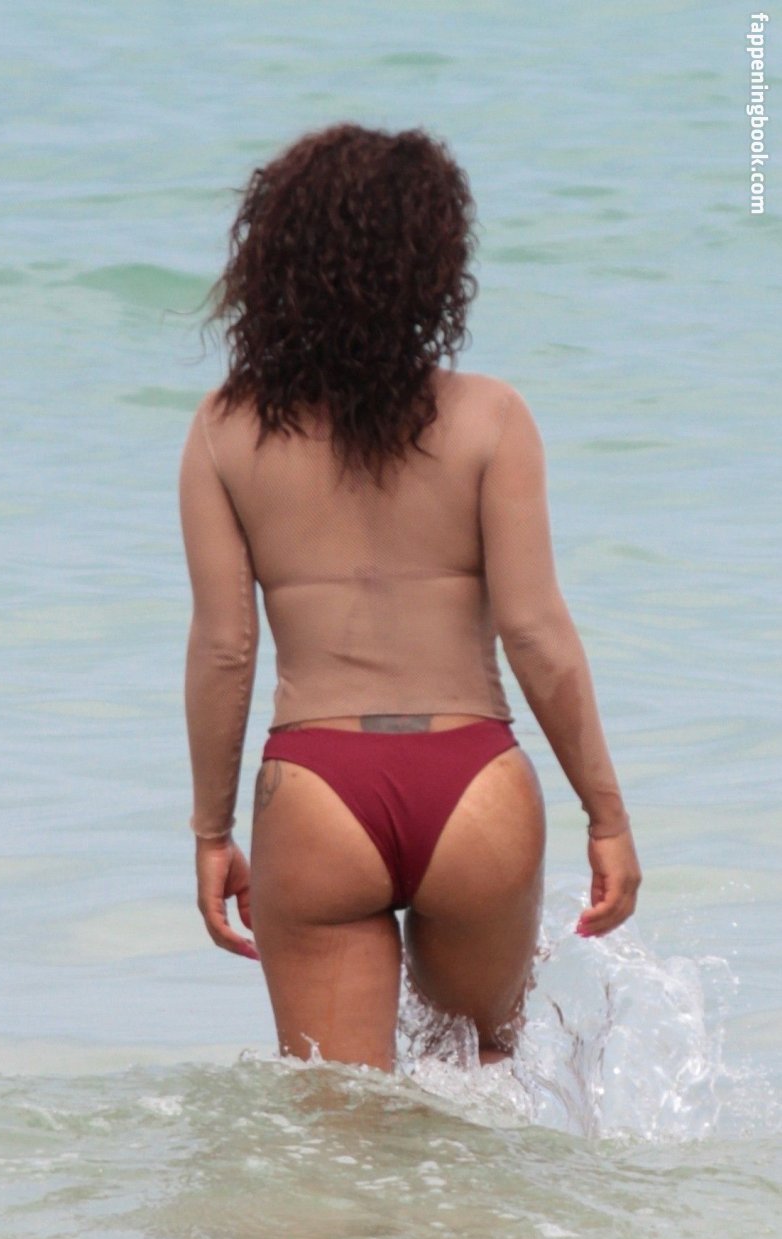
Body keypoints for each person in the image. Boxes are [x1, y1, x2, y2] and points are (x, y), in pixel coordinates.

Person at [179, 122, 641, 1073]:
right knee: (481, 1094)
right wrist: (606, 815)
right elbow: (535, 632)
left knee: (341, 1125)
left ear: (277, 264)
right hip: (474, 786)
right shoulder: (492, 418)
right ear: (434, 268)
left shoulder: (224, 431)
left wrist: (212, 831)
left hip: (317, 794)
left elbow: (226, 649)